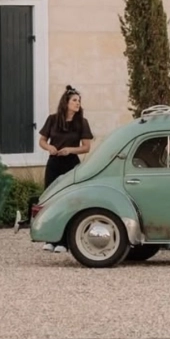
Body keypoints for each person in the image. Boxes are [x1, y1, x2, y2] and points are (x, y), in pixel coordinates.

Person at [38, 85, 94, 253]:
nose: (78, 104)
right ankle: (50, 239)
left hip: (71, 164)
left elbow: (86, 147)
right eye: (74, 100)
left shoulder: (82, 122)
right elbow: (41, 141)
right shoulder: (52, 120)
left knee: (69, 199)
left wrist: (70, 149)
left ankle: (64, 241)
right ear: (66, 103)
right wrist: (49, 148)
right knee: (50, 198)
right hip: (54, 163)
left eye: (79, 101)